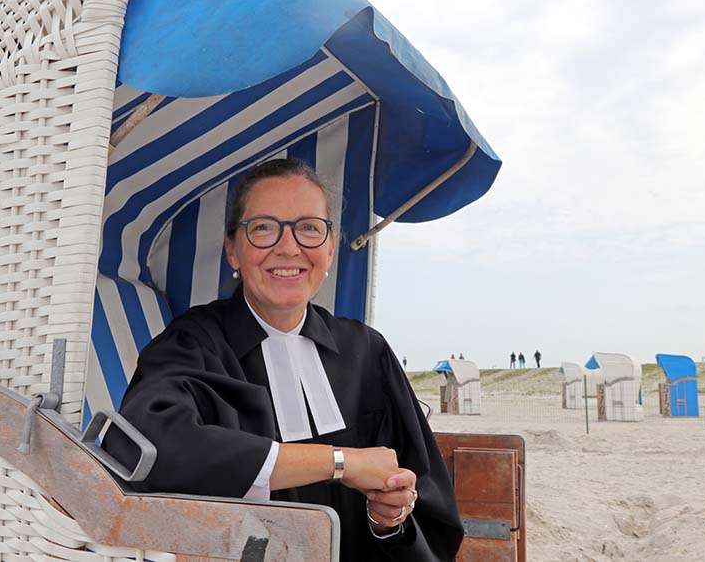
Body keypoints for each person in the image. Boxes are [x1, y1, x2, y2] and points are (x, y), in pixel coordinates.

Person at [103, 159, 462, 561]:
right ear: (232, 251)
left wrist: (387, 518)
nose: (288, 247)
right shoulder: (194, 343)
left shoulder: (367, 352)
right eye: (263, 228)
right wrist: (338, 462)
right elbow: (144, 446)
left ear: (328, 249)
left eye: (309, 228)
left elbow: (427, 506)